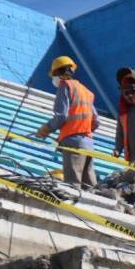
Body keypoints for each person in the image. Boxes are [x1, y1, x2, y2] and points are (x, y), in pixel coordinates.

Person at [35, 56, 99, 188]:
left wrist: (46, 128)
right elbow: (96, 121)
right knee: (90, 187)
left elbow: (61, 116)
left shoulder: (65, 86)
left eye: (54, 75)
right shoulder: (86, 91)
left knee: (73, 185)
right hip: (88, 144)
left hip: (73, 144)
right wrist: (80, 130)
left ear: (58, 73)